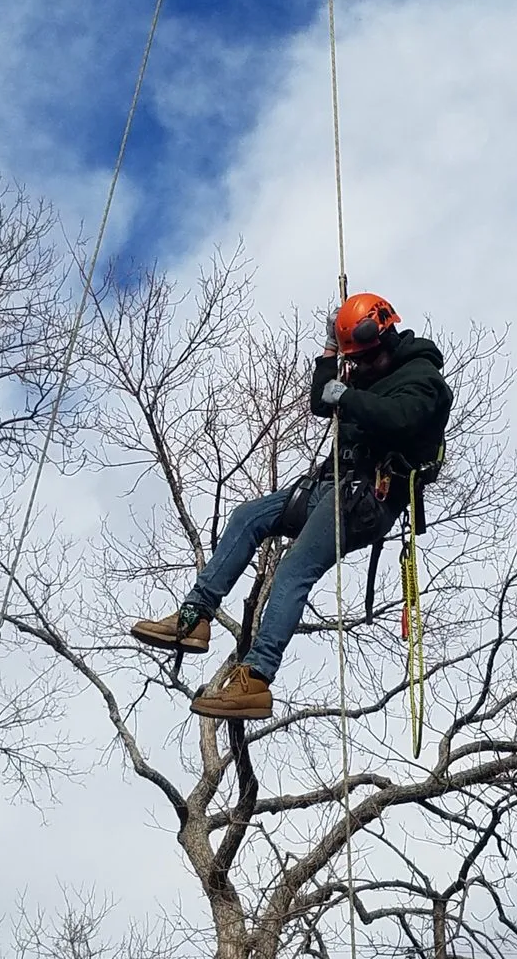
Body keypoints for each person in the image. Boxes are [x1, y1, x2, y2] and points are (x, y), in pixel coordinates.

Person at [131, 293, 453, 720]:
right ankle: (194, 617)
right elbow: (322, 401)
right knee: (248, 516)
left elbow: (399, 417)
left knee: (295, 568)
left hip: (366, 499)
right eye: (355, 362)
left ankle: (256, 679)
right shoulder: (367, 369)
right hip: (333, 485)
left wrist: (347, 394)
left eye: (365, 360)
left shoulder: (423, 379)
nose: (359, 369)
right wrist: (330, 351)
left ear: (388, 338)